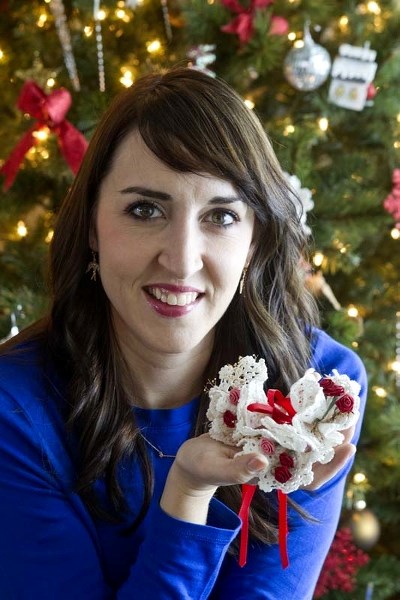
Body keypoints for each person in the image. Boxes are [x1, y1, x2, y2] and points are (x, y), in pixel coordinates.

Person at [0, 67, 367, 599]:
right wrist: (188, 496)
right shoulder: (15, 414)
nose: (181, 259)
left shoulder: (317, 391)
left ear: (254, 242)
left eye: (220, 216)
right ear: (93, 228)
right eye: (144, 210)